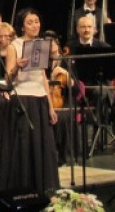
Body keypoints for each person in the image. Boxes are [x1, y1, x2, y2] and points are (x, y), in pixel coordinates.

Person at [0, 8, 59, 194]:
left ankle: (43, 189)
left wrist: (50, 106)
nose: (34, 25)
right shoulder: (14, 46)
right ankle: (22, 190)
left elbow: (43, 78)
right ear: (22, 26)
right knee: (23, 147)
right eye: (30, 22)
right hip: (23, 100)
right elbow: (8, 80)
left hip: (40, 100)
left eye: (37, 21)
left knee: (43, 146)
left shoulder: (41, 45)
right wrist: (17, 66)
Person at [45, 32, 82, 166]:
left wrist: (66, 75)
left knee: (62, 116)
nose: (51, 45)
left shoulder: (67, 61)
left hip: (66, 98)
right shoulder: (43, 63)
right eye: (47, 43)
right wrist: (51, 79)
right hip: (47, 98)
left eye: (53, 42)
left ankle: (64, 156)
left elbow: (77, 89)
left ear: (57, 44)